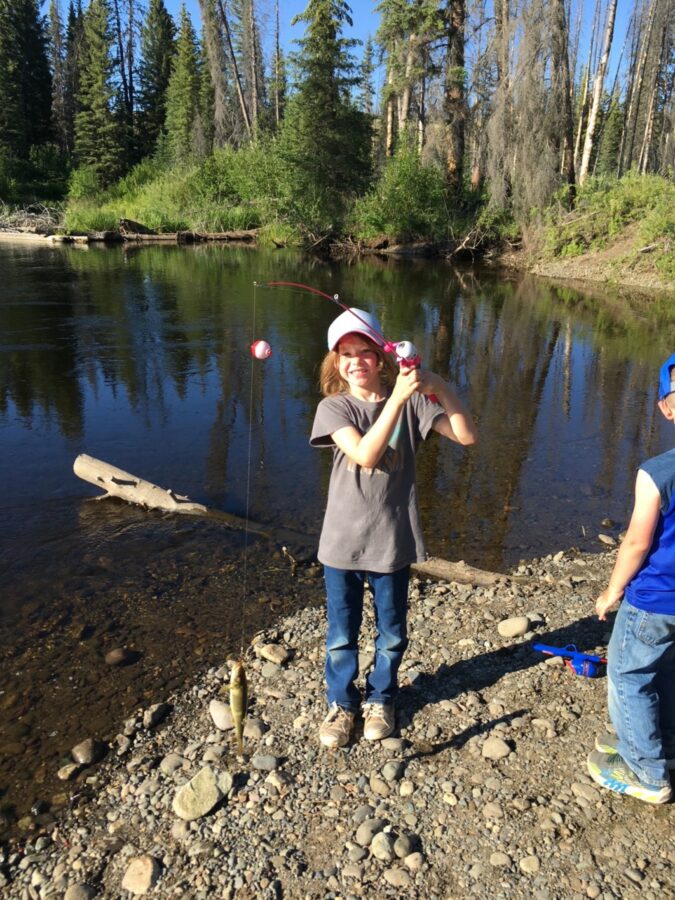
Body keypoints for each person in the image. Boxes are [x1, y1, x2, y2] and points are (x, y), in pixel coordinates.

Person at [310, 307, 477, 748]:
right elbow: (365, 454)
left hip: (393, 539)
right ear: (335, 362)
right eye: (345, 354)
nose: (355, 362)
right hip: (341, 542)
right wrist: (398, 400)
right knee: (341, 635)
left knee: (392, 630)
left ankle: (381, 697)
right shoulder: (334, 407)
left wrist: (438, 386)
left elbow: (466, 435)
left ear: (381, 357)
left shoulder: (415, 401)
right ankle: (341, 704)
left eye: (364, 352)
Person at [587, 352, 675, 804]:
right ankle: (663, 748)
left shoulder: (657, 472)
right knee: (667, 672)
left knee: (629, 675)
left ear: (666, 407)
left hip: (654, 599)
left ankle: (647, 771)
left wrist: (611, 591)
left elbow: (637, 544)